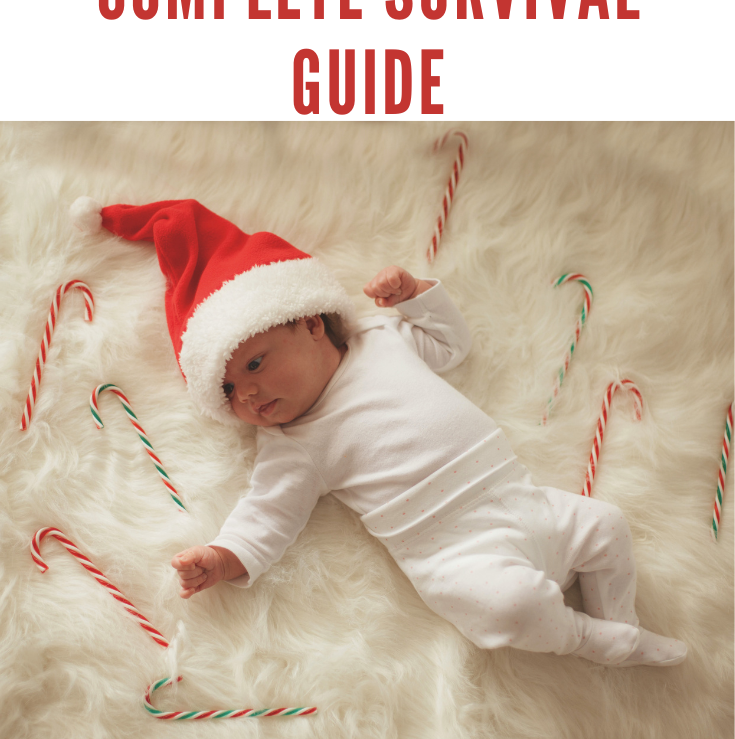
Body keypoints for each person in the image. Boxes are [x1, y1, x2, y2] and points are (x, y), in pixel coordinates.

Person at [72, 196, 687, 667]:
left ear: (312, 325)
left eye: (254, 364)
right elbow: (266, 516)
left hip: (519, 498)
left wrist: (417, 297)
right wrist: (222, 557)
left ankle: (620, 624)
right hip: (451, 549)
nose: (249, 395)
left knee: (606, 526)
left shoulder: (379, 338)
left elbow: (453, 346)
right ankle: (587, 640)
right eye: (228, 391)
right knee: (510, 610)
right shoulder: (296, 443)